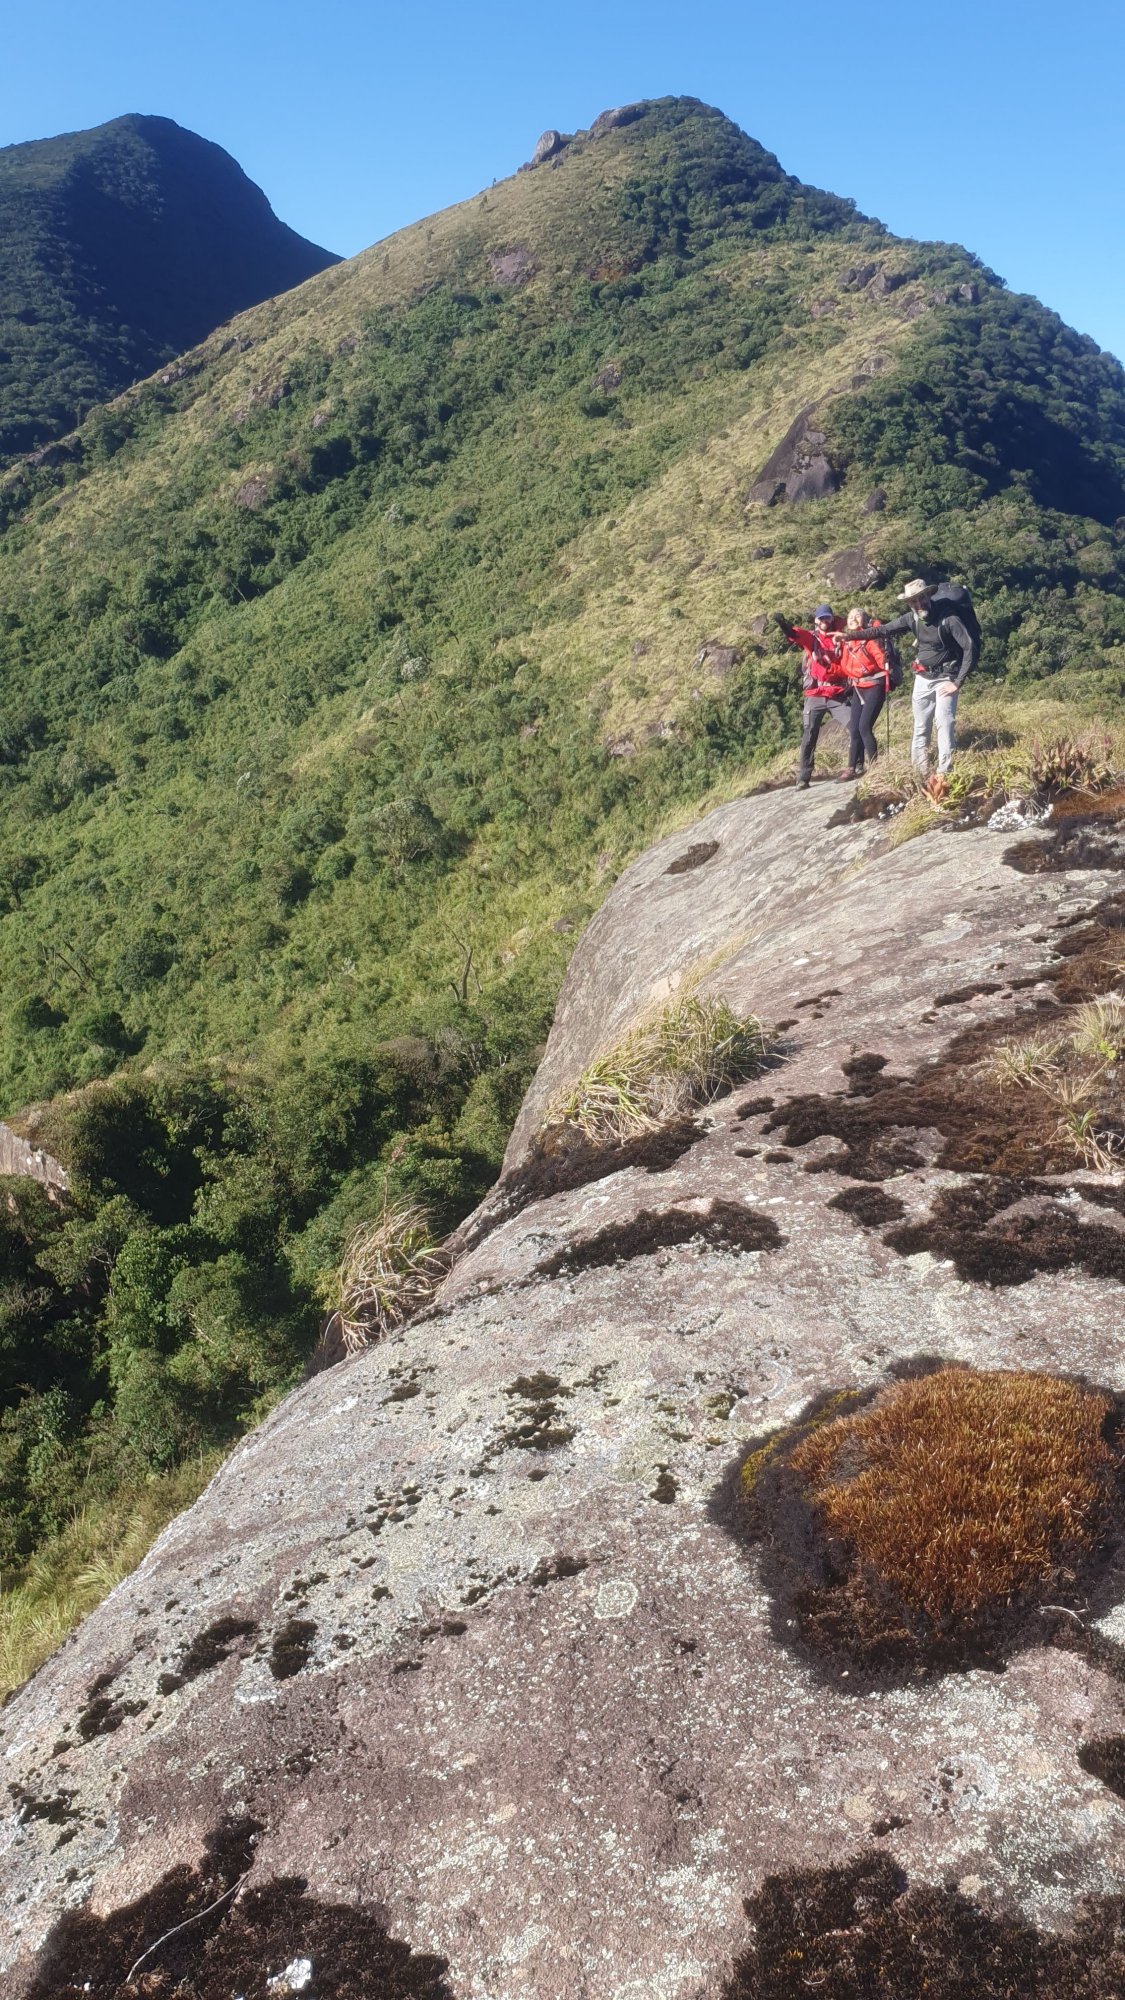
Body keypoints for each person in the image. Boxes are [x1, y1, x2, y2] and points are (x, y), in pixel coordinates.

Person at [851, 578, 978, 776]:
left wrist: (957, 682)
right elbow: (882, 630)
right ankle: (919, 773)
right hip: (922, 677)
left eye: (921, 598)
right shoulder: (911, 618)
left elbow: (969, 646)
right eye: (913, 601)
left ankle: (944, 772)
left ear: (929, 595)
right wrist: (847, 636)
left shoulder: (949, 619)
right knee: (920, 726)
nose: (918, 604)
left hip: (946, 677)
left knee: (944, 722)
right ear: (909, 603)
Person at [773, 603, 852, 789]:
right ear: (816, 620)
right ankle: (803, 777)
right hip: (815, 694)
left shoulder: (841, 637)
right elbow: (795, 635)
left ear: (832, 619)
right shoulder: (812, 638)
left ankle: (855, 766)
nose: (825, 621)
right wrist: (783, 625)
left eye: (828, 617)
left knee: (855, 726)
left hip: (837, 693)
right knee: (809, 734)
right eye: (821, 618)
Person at [838, 607, 889, 779]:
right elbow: (844, 667)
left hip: (874, 686)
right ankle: (852, 767)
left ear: (864, 620)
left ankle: (875, 768)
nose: (853, 618)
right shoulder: (847, 643)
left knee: (864, 727)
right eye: (850, 616)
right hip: (858, 687)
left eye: (857, 616)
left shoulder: (870, 639)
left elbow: (882, 661)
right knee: (854, 729)